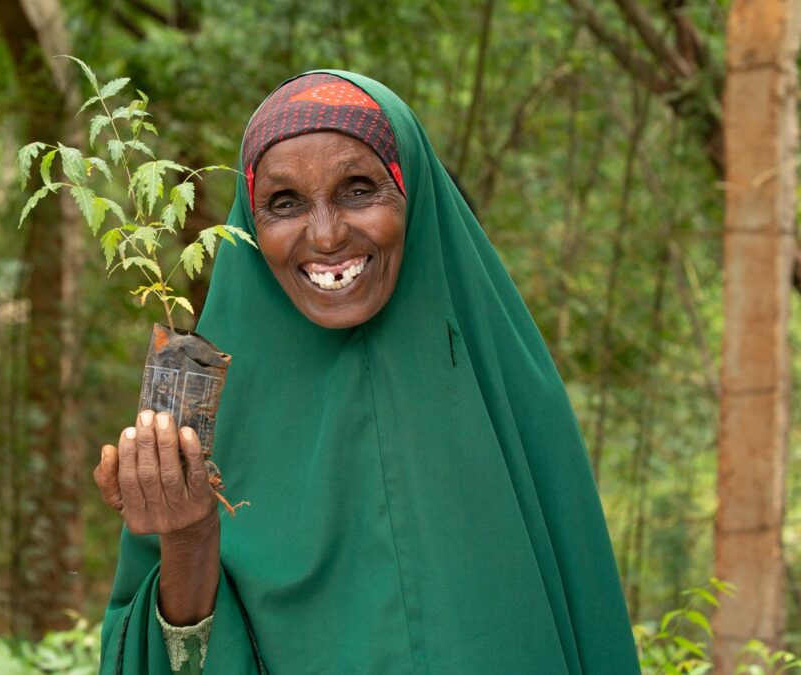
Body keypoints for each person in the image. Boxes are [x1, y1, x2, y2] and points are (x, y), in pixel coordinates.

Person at [92, 71, 641, 674]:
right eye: (285, 203)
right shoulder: (200, 419)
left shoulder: (506, 389)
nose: (326, 234)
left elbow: (583, 626)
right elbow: (164, 658)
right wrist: (189, 536)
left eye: (358, 189)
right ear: (250, 227)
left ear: (415, 196)